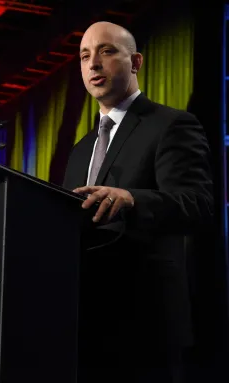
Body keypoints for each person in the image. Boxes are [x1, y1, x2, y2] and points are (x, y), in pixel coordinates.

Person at [62, 22, 214, 383]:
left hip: (145, 327)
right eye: (84, 56)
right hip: (83, 326)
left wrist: (132, 198)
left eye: (107, 51)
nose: (93, 64)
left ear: (136, 62)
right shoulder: (81, 150)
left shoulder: (170, 125)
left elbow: (197, 204)